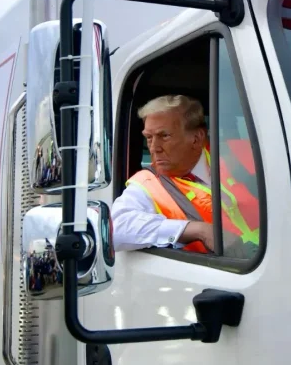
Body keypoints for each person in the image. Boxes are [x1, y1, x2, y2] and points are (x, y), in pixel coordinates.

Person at [111, 95, 259, 257]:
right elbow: (115, 229)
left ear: (196, 138)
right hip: (223, 275)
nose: (154, 148)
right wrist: (199, 230)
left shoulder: (239, 154)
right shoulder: (148, 184)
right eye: (149, 138)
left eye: (164, 136)